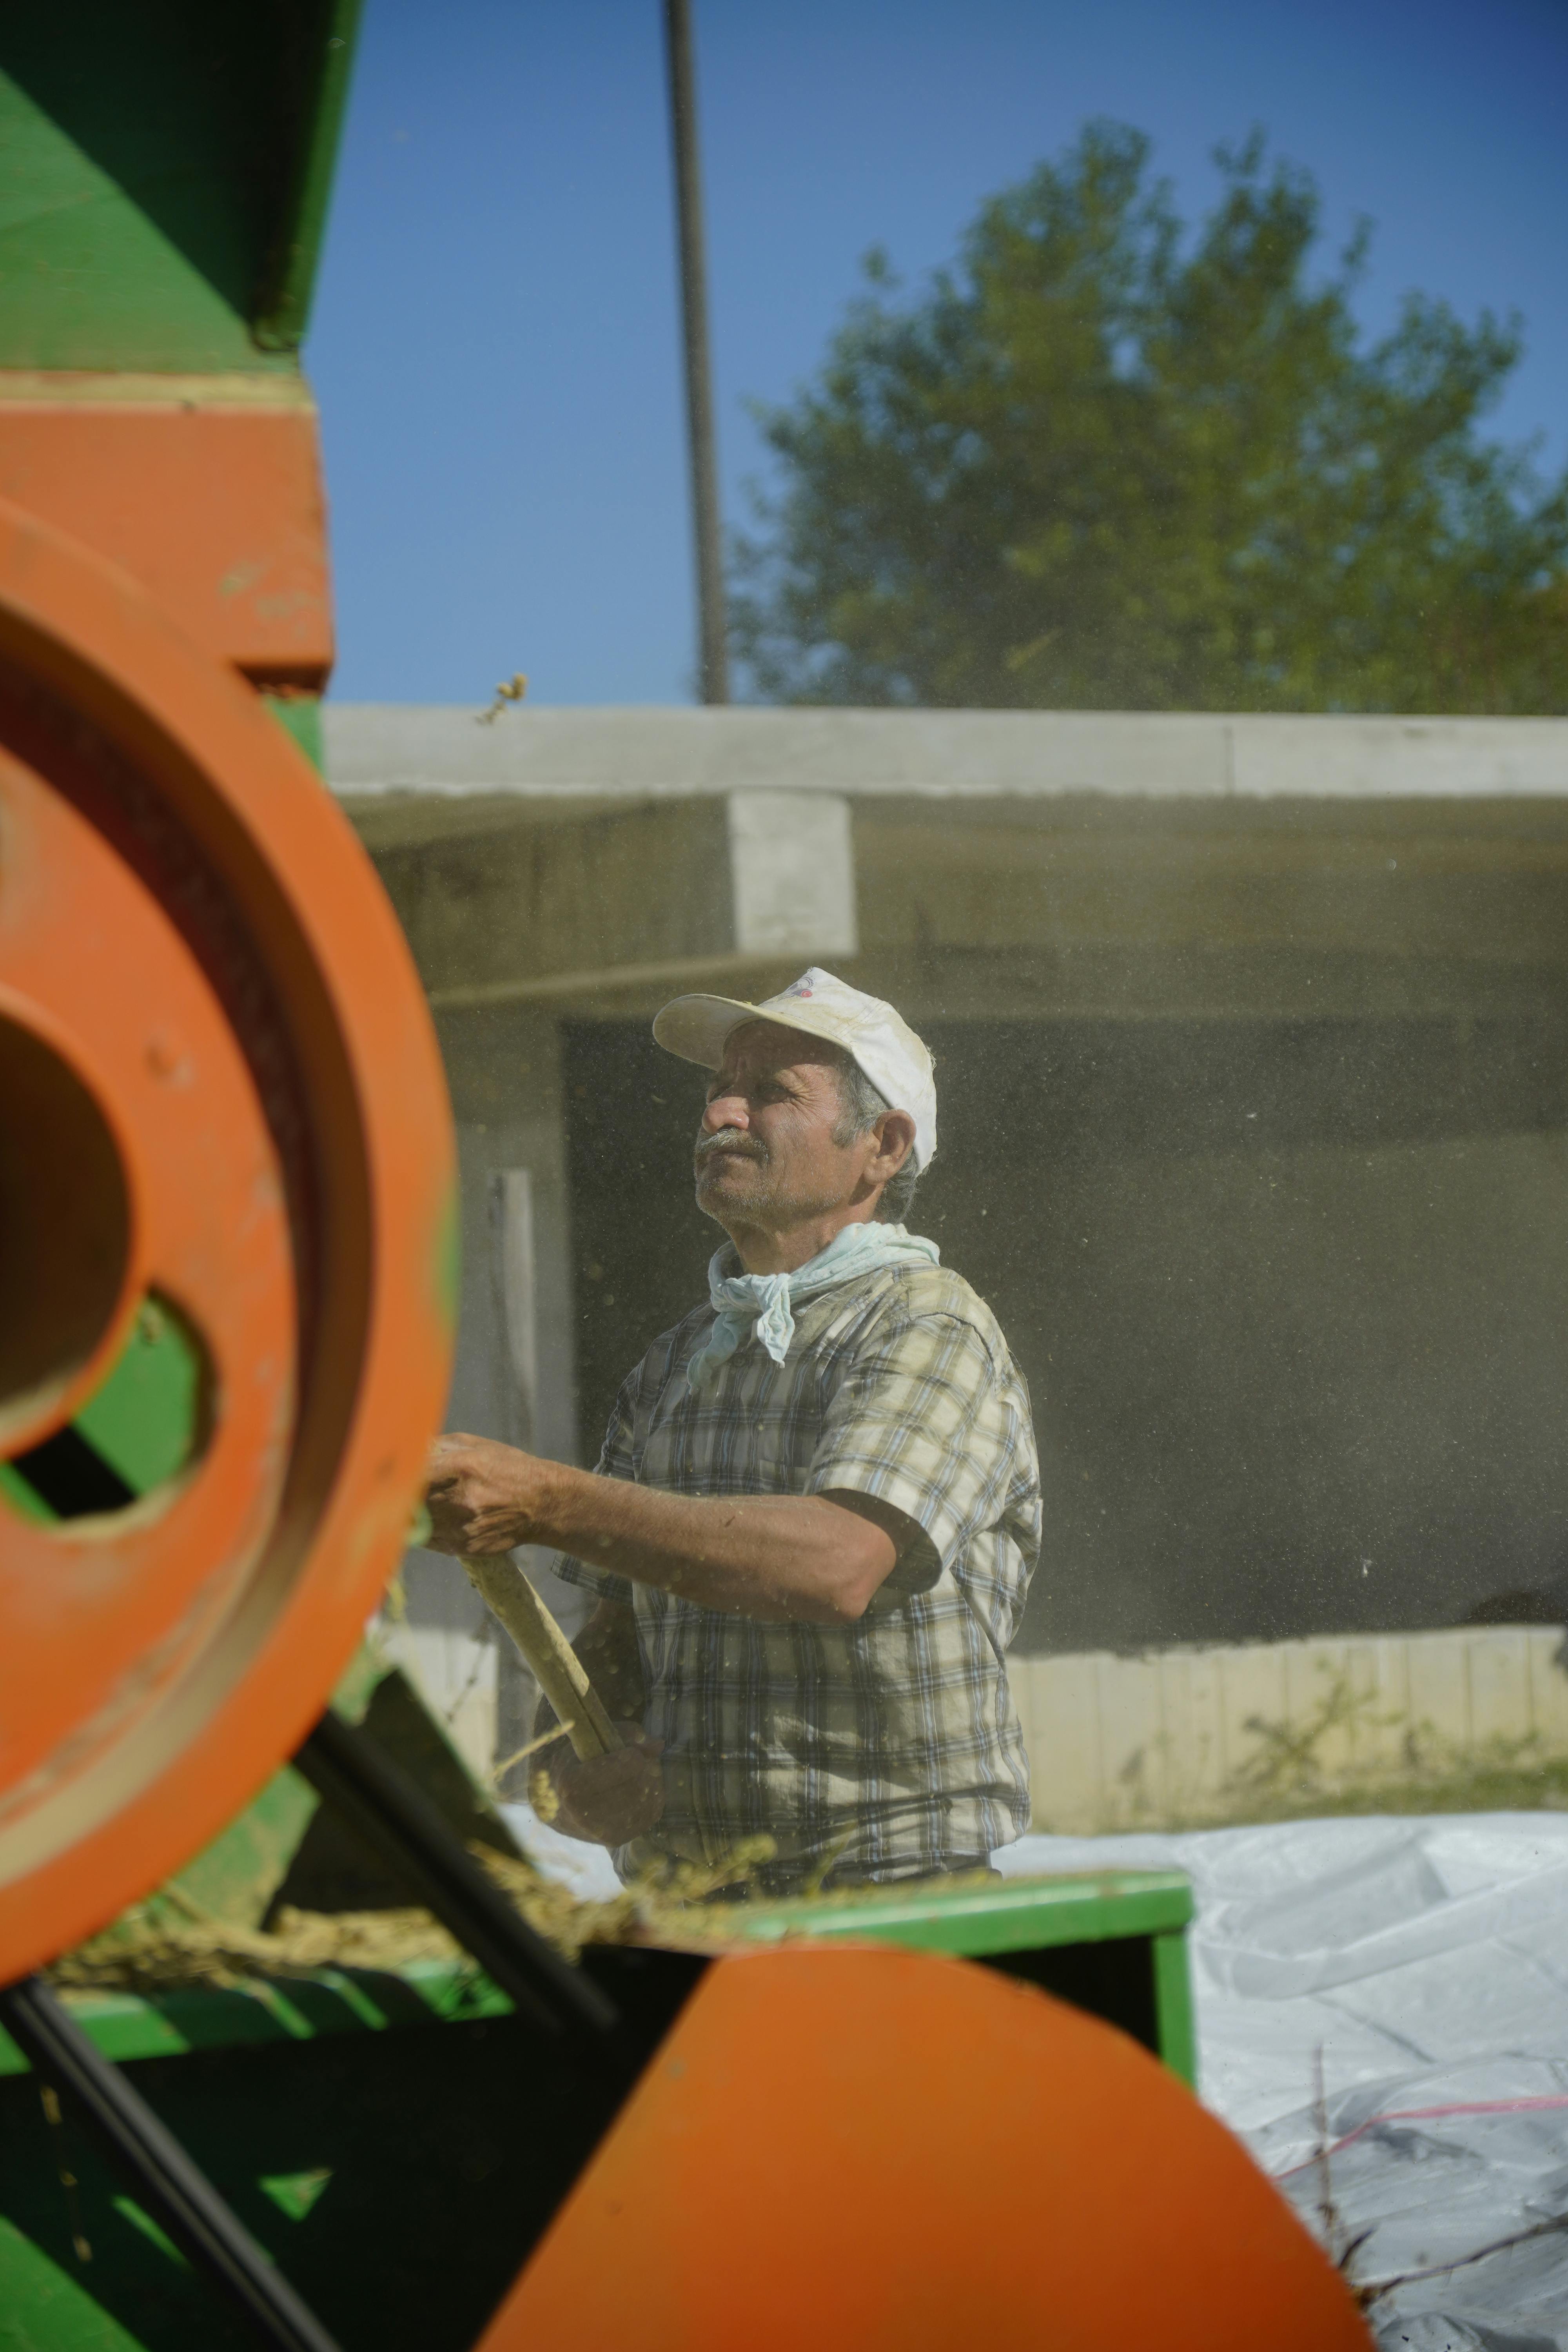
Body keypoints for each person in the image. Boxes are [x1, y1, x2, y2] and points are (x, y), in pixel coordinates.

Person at [424, 967, 1041, 1894]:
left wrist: (545, 1503)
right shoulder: (676, 1364)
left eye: (769, 1092)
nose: (719, 1114)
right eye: (718, 1088)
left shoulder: (924, 1325)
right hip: (696, 1908)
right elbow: (618, 1641)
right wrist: (575, 1772)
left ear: (882, 1145)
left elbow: (837, 1565)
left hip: (889, 1900)